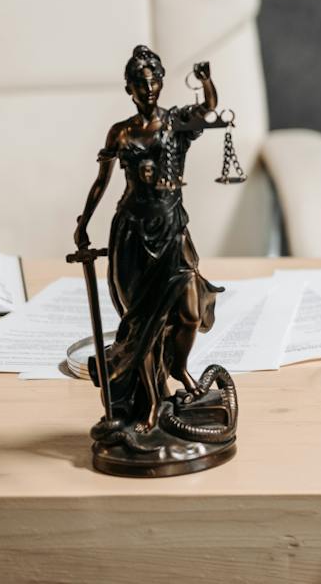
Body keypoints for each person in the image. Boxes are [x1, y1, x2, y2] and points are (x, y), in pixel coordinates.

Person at [74, 46, 228, 445]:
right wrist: (83, 224)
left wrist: (206, 79)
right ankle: (149, 407)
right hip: (133, 235)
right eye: (140, 83)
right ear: (129, 89)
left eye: (153, 80)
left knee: (190, 311)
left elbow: (210, 109)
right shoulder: (121, 133)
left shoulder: (175, 123)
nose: (148, 87)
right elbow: (102, 183)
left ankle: (178, 370)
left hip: (172, 230)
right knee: (143, 326)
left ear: (161, 81)